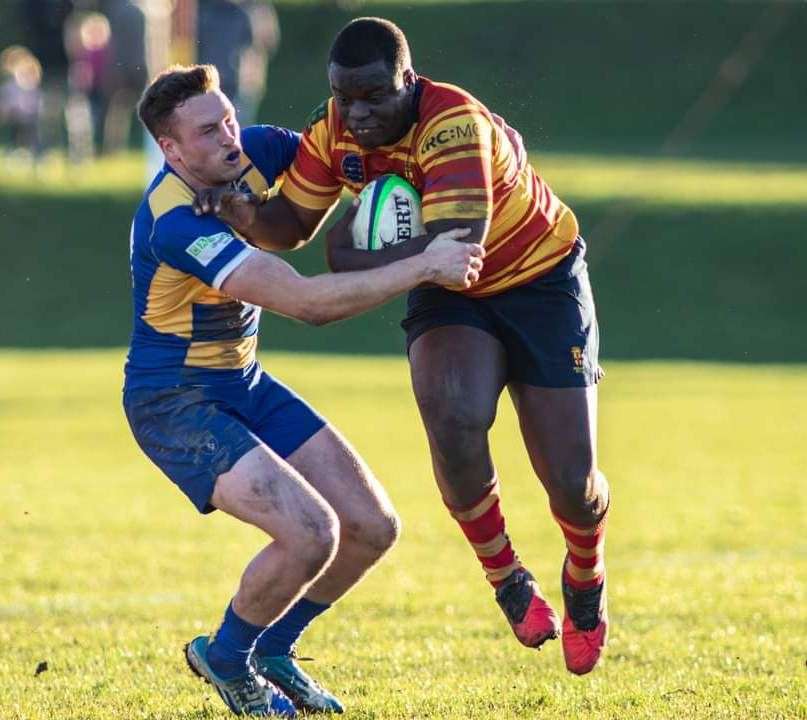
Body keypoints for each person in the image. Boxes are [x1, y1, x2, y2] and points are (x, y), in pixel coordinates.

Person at [197, 17, 611, 676]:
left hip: (538, 281)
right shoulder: (334, 129)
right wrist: (244, 213)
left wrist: (352, 250)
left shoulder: (452, 124)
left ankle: (584, 576)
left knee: (570, 483)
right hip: (445, 287)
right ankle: (506, 578)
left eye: (372, 97)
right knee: (450, 412)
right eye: (343, 97)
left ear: (408, 83)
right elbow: (294, 225)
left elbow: (457, 242)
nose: (356, 114)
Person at [124, 63, 483, 717]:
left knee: (372, 528)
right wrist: (423, 263)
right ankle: (226, 659)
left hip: (244, 380)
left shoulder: (257, 149)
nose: (230, 137)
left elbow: (351, 153)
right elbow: (308, 304)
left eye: (228, 118)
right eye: (208, 132)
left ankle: (273, 651)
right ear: (171, 150)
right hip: (174, 400)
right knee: (311, 532)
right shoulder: (173, 225)